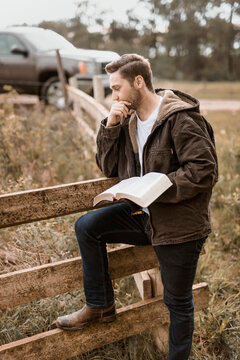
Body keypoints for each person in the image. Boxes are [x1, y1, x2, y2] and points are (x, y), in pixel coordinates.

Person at [55, 54, 218, 360]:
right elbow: (107, 166)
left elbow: (204, 171)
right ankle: (100, 303)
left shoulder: (180, 119)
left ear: (139, 82)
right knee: (87, 227)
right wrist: (111, 124)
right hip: (143, 215)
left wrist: (155, 187)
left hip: (178, 225)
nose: (113, 95)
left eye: (117, 88)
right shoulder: (128, 121)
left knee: (177, 302)